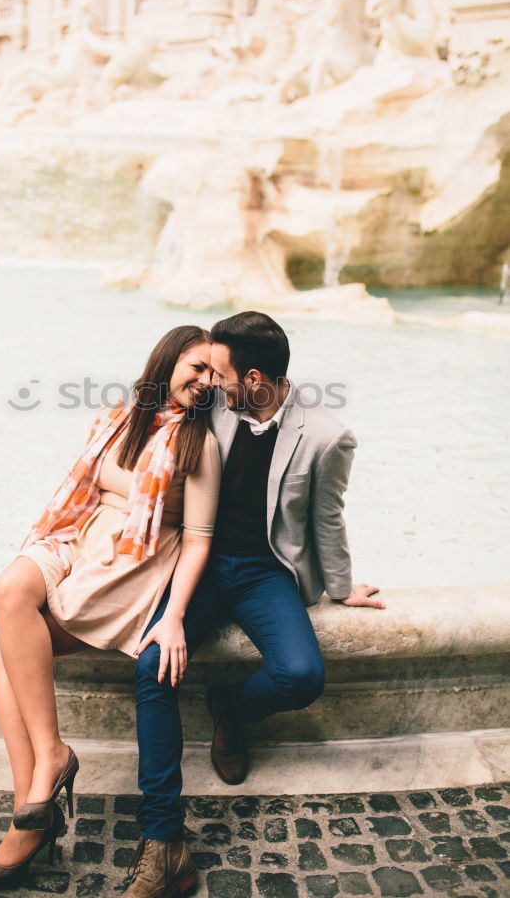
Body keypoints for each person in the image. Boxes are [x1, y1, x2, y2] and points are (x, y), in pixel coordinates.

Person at [128, 311, 385, 898]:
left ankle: (233, 711)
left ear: (253, 375)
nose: (210, 383)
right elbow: (147, 423)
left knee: (301, 675)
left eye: (220, 373)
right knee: (152, 664)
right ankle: (163, 837)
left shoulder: (325, 434)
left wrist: (341, 587)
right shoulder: (209, 406)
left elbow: (326, 515)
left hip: (265, 572)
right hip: (198, 564)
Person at [0, 325, 220, 891]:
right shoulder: (118, 416)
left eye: (214, 375)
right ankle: (49, 763)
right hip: (80, 540)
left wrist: (175, 614)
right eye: (196, 367)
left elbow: (200, 538)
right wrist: (41, 548)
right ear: (168, 359)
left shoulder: (198, 443)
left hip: (134, 564)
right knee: (12, 590)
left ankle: (29, 811)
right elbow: (78, 491)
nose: (205, 383)